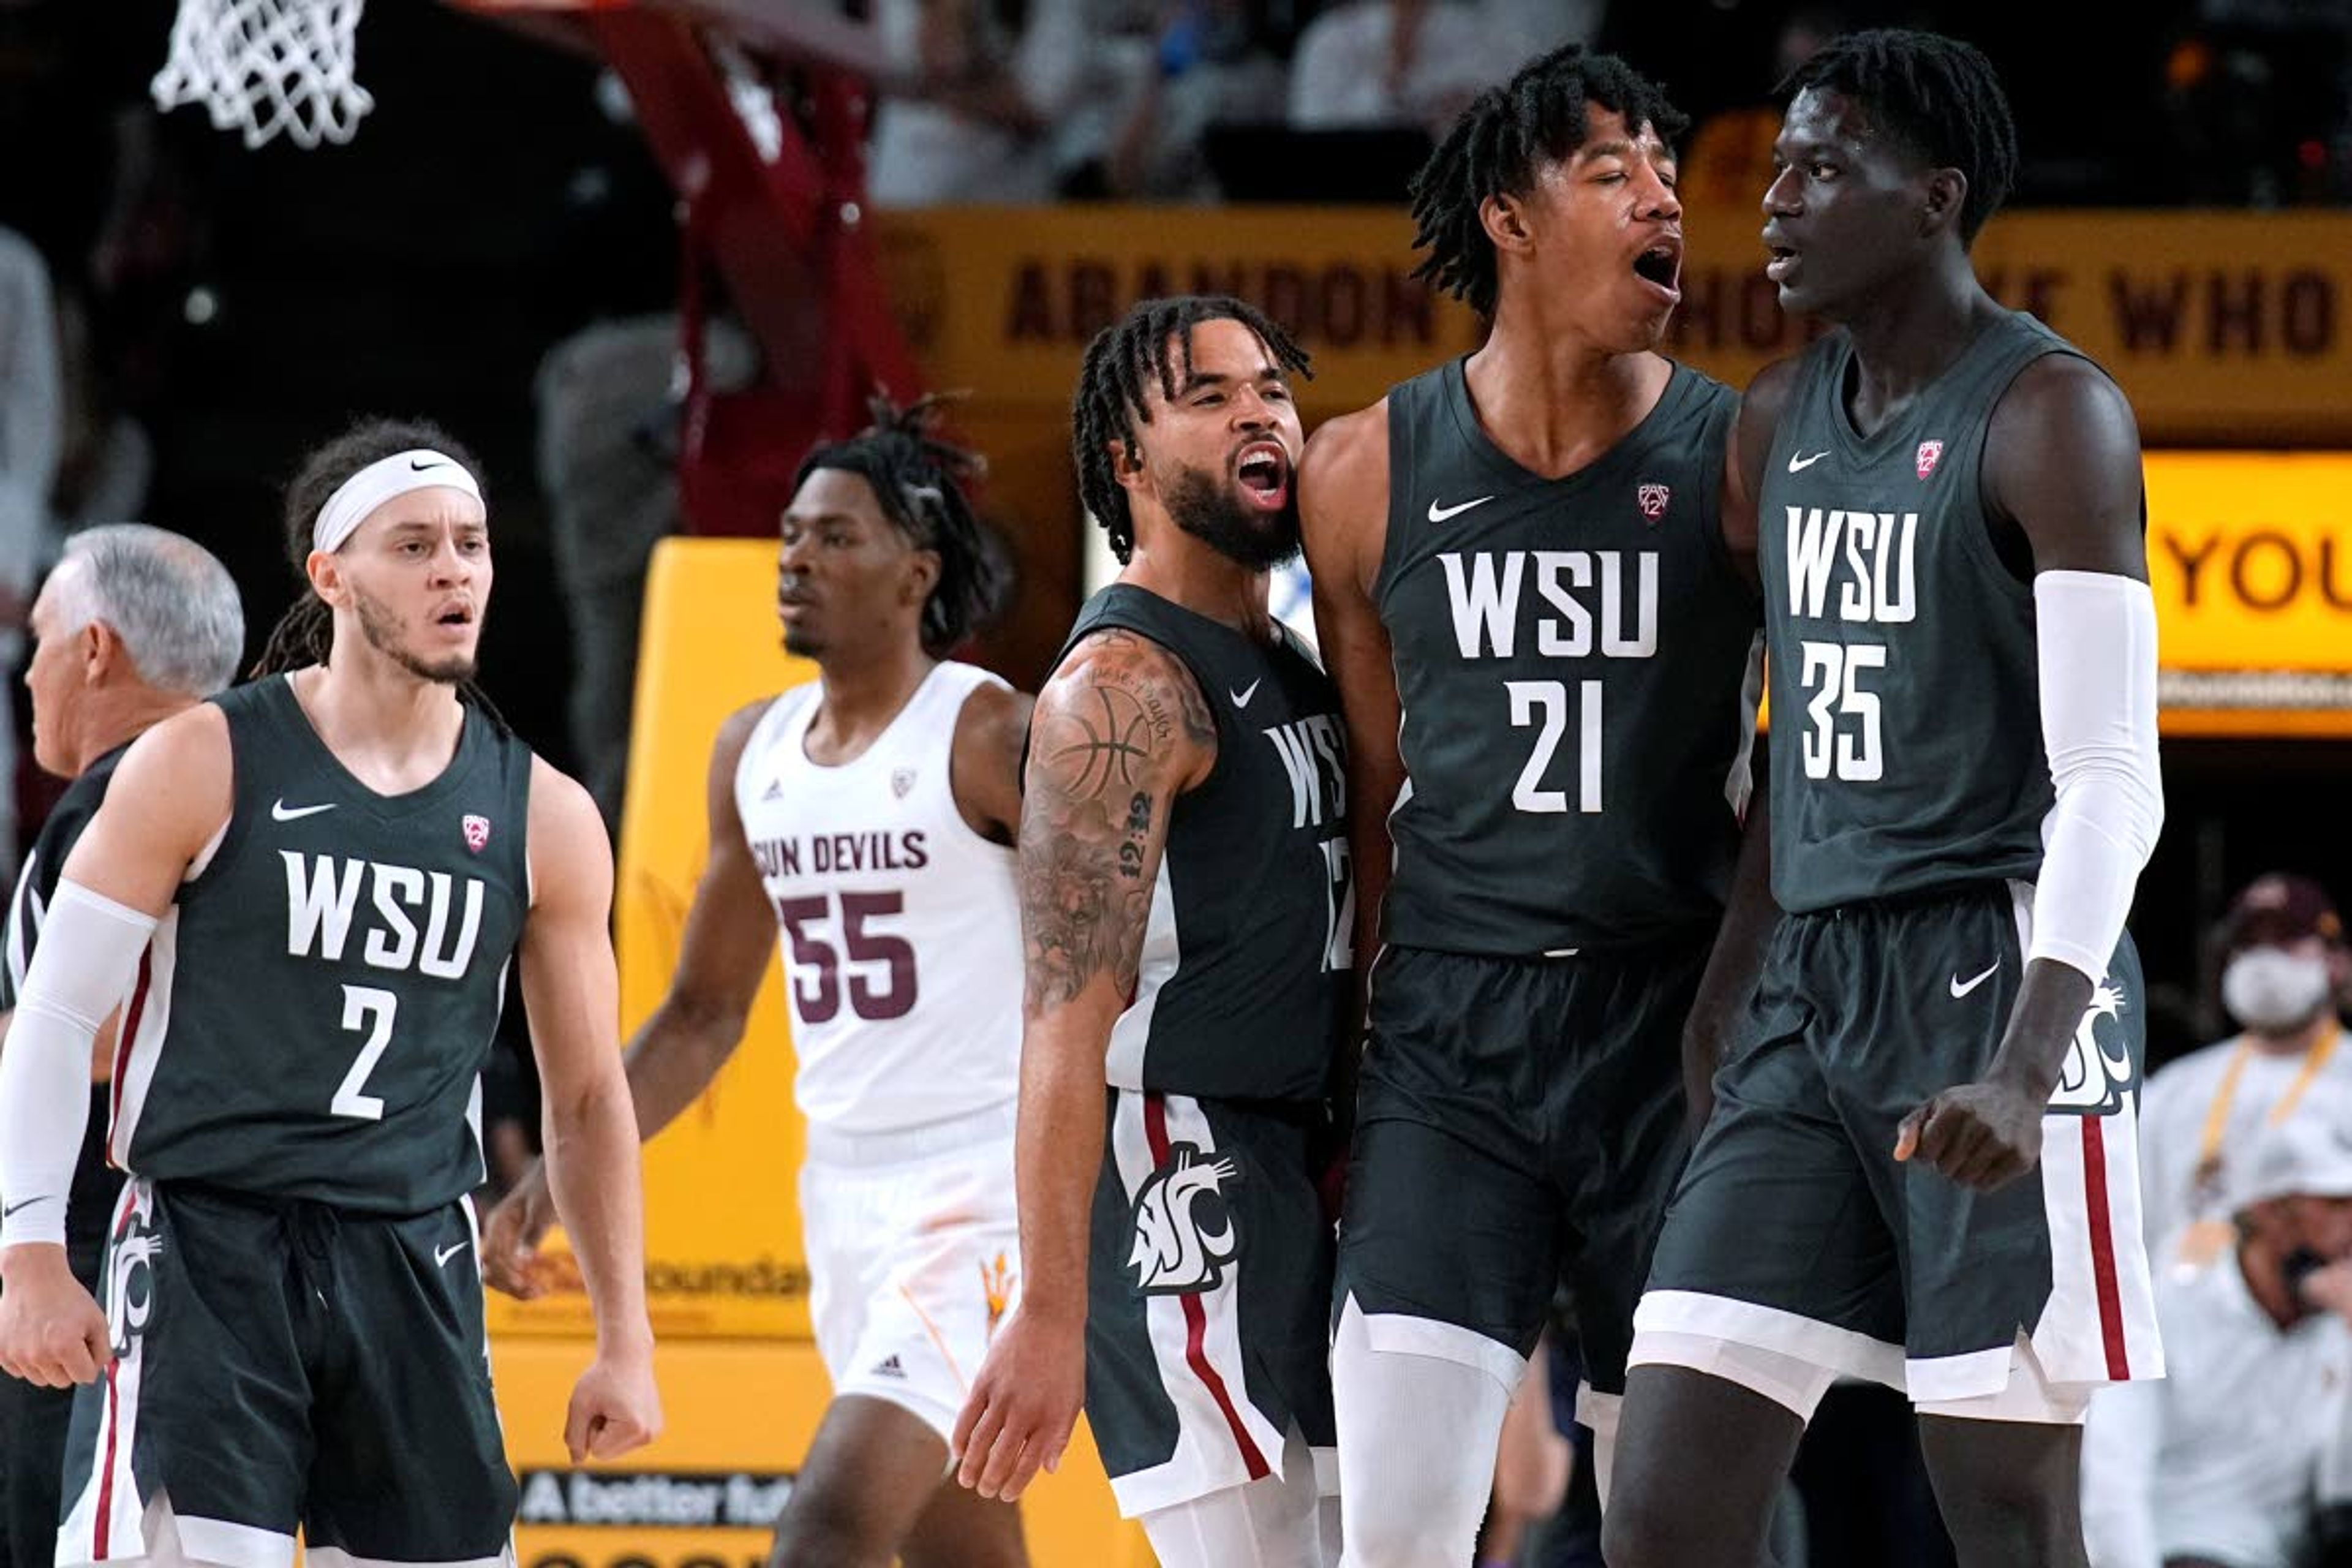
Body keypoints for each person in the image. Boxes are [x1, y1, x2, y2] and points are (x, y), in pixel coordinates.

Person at [1607, 30, 2168, 1568]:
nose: (1773, 197)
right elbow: (1793, 749)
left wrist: (2026, 1062)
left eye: (1819, 166)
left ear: (1933, 196)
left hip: (1992, 973)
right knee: (1659, 1502)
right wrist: (1727, 991)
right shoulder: (1778, 419)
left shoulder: (2052, 414)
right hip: (1811, 985)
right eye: (1775, 164)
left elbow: (2112, 776)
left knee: (1999, 1509)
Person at [0, 418, 660, 1567]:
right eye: (413, 546)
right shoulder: (204, 759)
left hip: (414, 1259)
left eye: (472, 543)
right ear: (331, 575)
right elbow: (54, 1016)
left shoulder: (543, 812)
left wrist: (626, 1336)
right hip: (210, 1251)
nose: (454, 567)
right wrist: (31, 1260)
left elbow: (592, 1098)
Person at [1296, 42, 1770, 1565]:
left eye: (1663, 167)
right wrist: (1343, 1052)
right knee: (1399, 1530)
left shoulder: (1740, 455)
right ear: (1507, 214)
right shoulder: (1362, 467)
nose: (1661, 198)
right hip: (1452, 1041)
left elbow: (1812, 773)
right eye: (1610, 168)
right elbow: (1373, 794)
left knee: (1690, 1534)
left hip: (1674, 1029)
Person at [483, 397, 1033, 1568]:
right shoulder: (754, 750)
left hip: (982, 1188)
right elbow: (700, 1015)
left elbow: (1113, 948)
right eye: (791, 534)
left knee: (826, 1527)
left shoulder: (985, 731)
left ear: (914, 574)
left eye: (837, 537)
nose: (797, 558)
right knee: (963, 1553)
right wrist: (564, 1177)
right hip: (842, 1191)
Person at [952, 295, 1349, 1567]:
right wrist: (1050, 1310)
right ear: (1128, 463)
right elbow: (1063, 1025)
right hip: (1182, 1161)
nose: (1261, 412)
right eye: (1211, 395)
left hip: (1299, 1159)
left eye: (1272, 388)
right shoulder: (1119, 688)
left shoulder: (1285, 650)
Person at [0, 525, 242, 1568]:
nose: (28, 670)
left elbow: (100, 1033)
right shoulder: (263, 793)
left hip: (96, 1249)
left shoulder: (121, 802)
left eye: (40, 639)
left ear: (94, 651)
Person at [2081, 1101, 2352, 1568]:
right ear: (2269, 1210)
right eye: (2334, 1205)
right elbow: (2111, 1486)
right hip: (2190, 1549)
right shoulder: (2164, 1310)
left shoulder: (2339, 1316)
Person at [2139, 873, 2351, 1272]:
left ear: (2336, 961)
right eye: (2249, 944)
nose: (2265, 960)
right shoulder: (2174, 1089)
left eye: (2287, 939)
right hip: (2184, 1321)